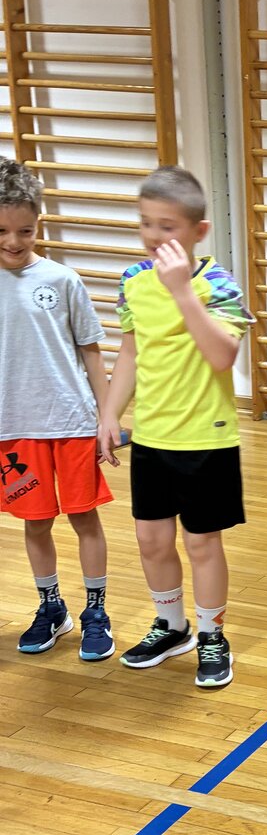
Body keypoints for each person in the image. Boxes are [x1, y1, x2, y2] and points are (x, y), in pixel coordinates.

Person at [98, 166, 253, 689]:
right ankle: (172, 626)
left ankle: (212, 635)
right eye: (146, 223)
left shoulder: (217, 284)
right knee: (151, 540)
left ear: (198, 231)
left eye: (167, 226)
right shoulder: (132, 281)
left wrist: (183, 292)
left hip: (207, 438)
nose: (154, 235)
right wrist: (110, 413)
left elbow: (222, 355)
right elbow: (131, 352)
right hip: (152, 436)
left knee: (202, 543)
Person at [0, 159, 114, 660]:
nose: (13, 241)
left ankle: (96, 611)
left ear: (38, 223)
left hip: (71, 421)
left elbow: (91, 351)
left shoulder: (63, 279)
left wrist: (106, 417)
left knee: (84, 518)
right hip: (13, 428)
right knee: (36, 522)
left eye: (24, 230)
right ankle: (51, 607)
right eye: (1, 231)